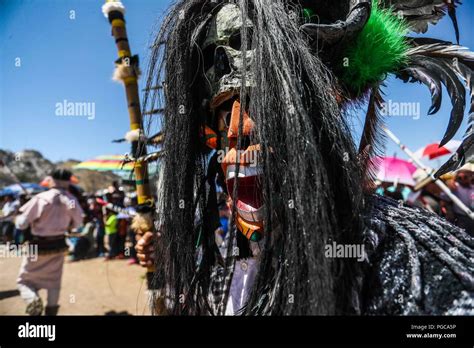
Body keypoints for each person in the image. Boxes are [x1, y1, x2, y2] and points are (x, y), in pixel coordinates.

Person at [15, 169, 83, 315]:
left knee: (24, 281)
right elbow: (78, 222)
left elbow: (22, 224)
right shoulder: (71, 200)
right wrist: (67, 225)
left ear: (52, 179)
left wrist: (20, 216)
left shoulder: (41, 198)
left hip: (38, 246)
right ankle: (51, 310)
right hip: (58, 246)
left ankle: (32, 299)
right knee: (54, 282)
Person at [441, 167, 474, 235]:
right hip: (463, 219)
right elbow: (443, 198)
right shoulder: (454, 187)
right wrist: (449, 185)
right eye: (460, 177)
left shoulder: (472, 187)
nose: (463, 179)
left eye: (465, 176)